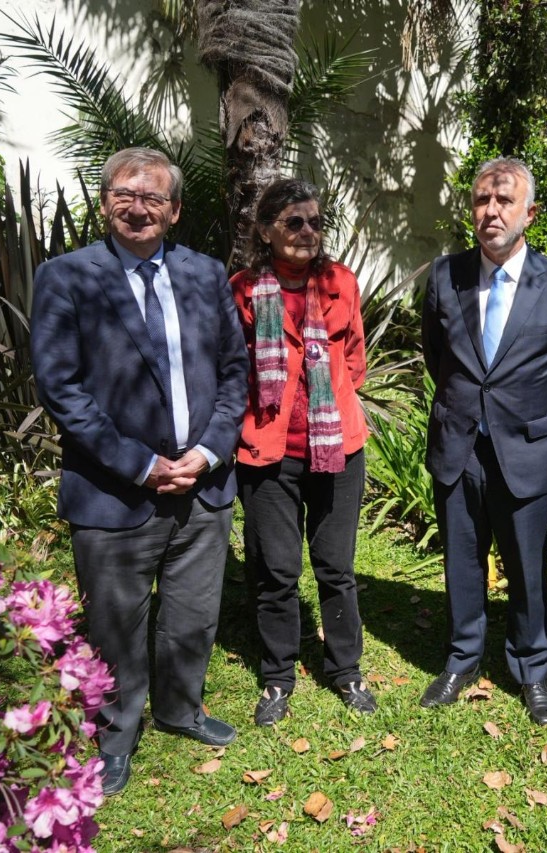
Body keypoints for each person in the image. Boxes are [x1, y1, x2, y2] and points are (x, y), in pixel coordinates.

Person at [31, 147, 248, 796]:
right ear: (105, 203)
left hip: (202, 485)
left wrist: (207, 452)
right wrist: (141, 463)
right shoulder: (67, 276)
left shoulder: (206, 275)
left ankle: (181, 708)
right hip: (113, 491)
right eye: (126, 193)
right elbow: (61, 387)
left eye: (154, 198)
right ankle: (116, 733)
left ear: (174, 211)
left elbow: (236, 373)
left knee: (192, 612)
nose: (138, 206)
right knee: (115, 624)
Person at [420, 157, 547, 725]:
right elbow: (435, 354)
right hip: (458, 444)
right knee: (463, 561)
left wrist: (534, 417)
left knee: (527, 566)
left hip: (526, 446)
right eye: (480, 201)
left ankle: (531, 667)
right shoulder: (444, 276)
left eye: (503, 202)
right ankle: (463, 656)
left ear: (530, 213)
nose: (490, 211)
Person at [230, 178, 375, 725]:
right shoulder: (242, 289)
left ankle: (345, 669)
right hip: (268, 451)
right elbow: (230, 368)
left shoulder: (341, 283)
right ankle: (277, 676)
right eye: (294, 222)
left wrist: (326, 398)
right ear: (266, 230)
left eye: (316, 222)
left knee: (336, 566)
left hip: (336, 447)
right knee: (278, 570)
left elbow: (354, 359)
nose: (307, 232)